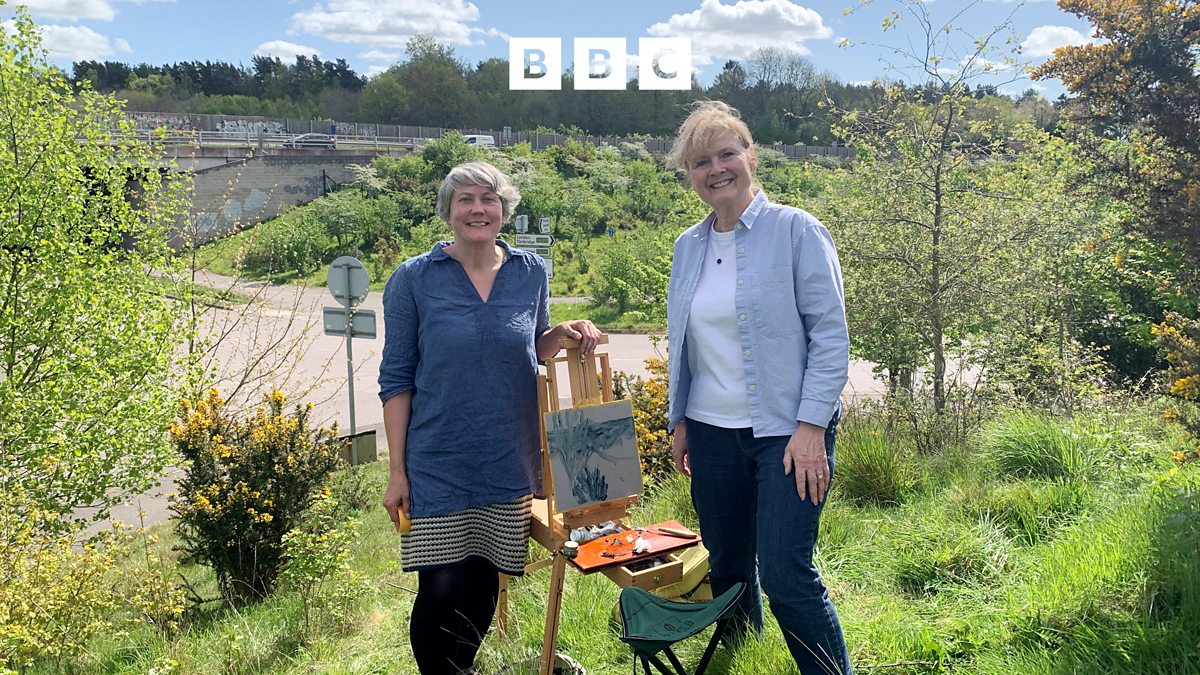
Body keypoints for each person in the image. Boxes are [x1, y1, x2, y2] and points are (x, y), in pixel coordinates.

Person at [379, 161, 601, 675]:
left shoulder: (530, 271)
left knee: (484, 580)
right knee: (440, 586)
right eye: (466, 199)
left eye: (489, 199)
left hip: (507, 458)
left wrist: (561, 333)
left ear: (504, 210)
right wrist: (397, 471)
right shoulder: (414, 279)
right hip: (437, 459)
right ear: (448, 211)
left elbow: (532, 347)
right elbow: (397, 378)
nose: (477, 209)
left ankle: (464, 668)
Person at [665, 101, 852, 674]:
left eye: (727, 154)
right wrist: (680, 421)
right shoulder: (687, 246)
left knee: (786, 573)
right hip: (710, 431)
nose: (716, 169)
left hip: (787, 432)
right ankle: (742, 654)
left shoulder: (797, 230)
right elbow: (685, 341)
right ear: (690, 174)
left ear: (751, 156)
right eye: (701, 162)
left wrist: (811, 428)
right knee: (727, 564)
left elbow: (830, 336)